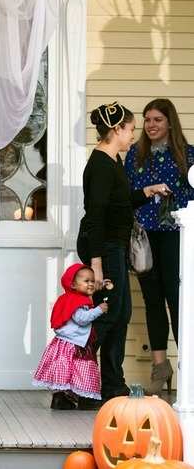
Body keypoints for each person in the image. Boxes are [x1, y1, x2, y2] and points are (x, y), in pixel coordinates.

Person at [77, 102, 170, 401]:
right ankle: (73, 378)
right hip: (103, 247)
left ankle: (112, 385)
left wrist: (148, 190)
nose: (133, 135)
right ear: (116, 130)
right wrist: (97, 263)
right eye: (130, 129)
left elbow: (119, 204)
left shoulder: (113, 161)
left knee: (121, 313)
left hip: (114, 245)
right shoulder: (101, 166)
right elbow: (96, 215)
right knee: (108, 313)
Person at [124, 98, 194, 395]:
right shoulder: (135, 155)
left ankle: (186, 368)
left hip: (177, 235)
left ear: (169, 123)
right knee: (152, 300)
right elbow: (127, 194)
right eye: (147, 120)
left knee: (178, 300)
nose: (151, 125)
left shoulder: (188, 156)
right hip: (145, 237)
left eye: (157, 120)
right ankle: (160, 366)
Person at [33, 264, 107, 410]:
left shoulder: (69, 298)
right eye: (86, 281)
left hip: (65, 342)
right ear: (73, 284)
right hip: (74, 344)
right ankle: (86, 399)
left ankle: (61, 398)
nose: (91, 284)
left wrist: (102, 285)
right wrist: (99, 309)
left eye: (92, 281)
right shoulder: (78, 301)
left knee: (68, 371)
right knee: (83, 369)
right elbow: (82, 319)